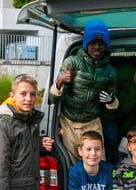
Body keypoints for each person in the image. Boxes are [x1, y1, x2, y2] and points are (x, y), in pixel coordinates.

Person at [50, 20, 118, 163]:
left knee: (97, 163)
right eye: (93, 43)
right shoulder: (72, 62)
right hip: (69, 123)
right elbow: (53, 100)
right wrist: (59, 82)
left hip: (92, 122)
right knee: (73, 165)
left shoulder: (111, 72)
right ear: (86, 44)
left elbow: (112, 107)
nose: (97, 47)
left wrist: (111, 101)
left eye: (101, 44)